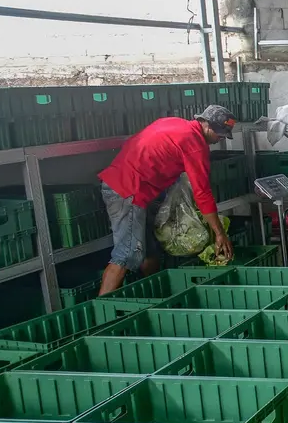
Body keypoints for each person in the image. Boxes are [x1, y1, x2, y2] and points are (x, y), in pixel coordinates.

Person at [97, 104, 236, 294]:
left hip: (127, 186)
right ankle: (102, 314)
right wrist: (219, 232)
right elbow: (202, 192)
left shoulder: (175, 124)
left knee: (149, 253)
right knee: (126, 255)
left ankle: (157, 300)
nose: (219, 139)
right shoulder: (194, 144)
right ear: (206, 125)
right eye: (219, 135)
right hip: (128, 191)